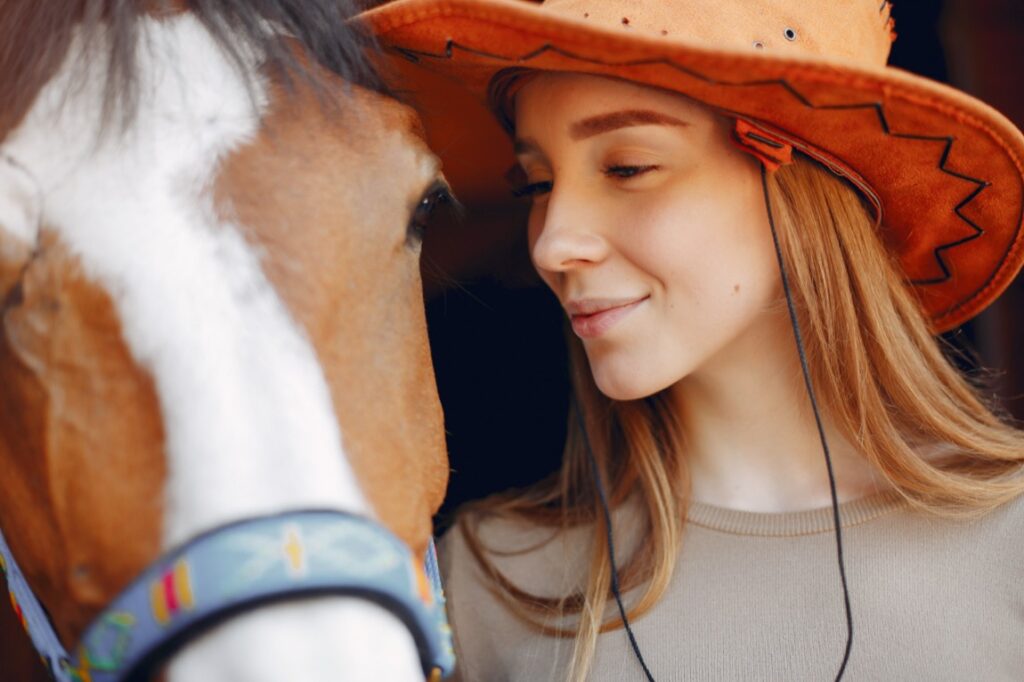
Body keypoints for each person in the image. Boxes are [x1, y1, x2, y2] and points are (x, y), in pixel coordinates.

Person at [362, 1, 1024, 679]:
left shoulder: (1010, 543)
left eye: (626, 168)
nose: (554, 244)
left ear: (799, 186)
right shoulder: (497, 586)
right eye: (537, 183)